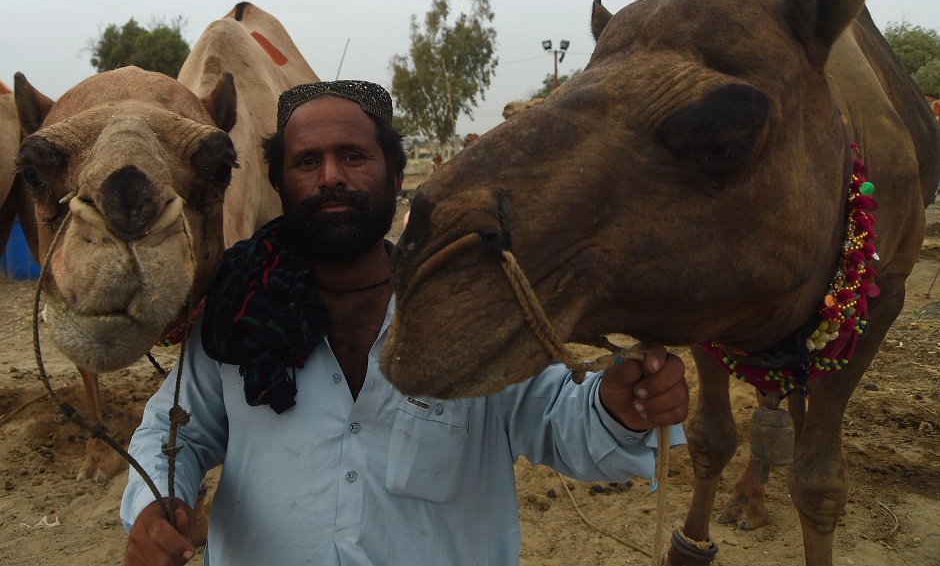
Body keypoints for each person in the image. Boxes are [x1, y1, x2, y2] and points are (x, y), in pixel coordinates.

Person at [120, 80, 689, 566]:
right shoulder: (239, 310)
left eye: (354, 156)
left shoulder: (472, 305)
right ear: (281, 187)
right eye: (307, 162)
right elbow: (178, 432)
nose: (331, 177)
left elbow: (560, 423)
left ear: (396, 178)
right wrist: (155, 502)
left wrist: (620, 406)